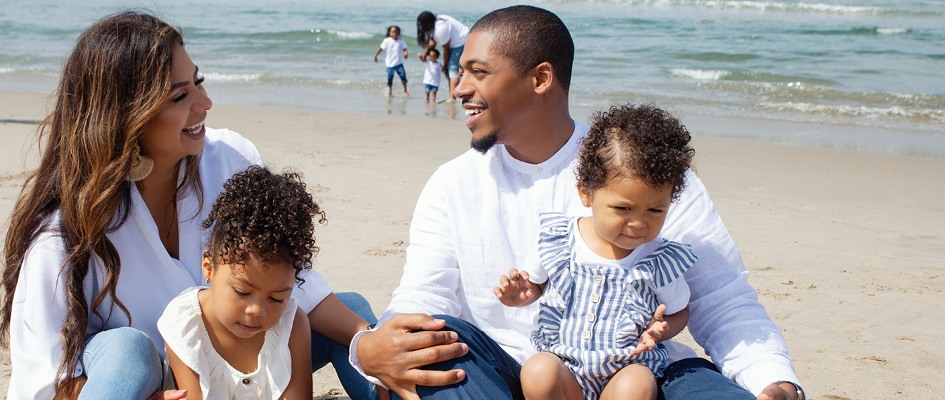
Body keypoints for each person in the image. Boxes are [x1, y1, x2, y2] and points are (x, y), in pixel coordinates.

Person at [352, 5, 805, 400]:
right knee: (437, 352)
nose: (459, 88)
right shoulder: (452, 183)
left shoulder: (637, 169)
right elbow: (422, 296)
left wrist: (773, 377)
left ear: (540, 78)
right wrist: (373, 344)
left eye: (479, 71)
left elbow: (722, 297)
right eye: (461, 70)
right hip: (506, 373)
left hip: (639, 374)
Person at [0, 12, 377, 400]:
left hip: (234, 364)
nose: (205, 102)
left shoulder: (228, 158)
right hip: (140, 383)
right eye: (180, 96)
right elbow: (44, 380)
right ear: (124, 115)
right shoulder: (61, 235)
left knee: (355, 320)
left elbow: (290, 278)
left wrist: (367, 340)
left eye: (198, 82)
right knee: (128, 350)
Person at [494, 103, 698, 400]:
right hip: (564, 364)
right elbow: (536, 283)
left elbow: (679, 311)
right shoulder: (560, 240)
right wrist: (524, 292)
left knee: (636, 386)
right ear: (586, 193)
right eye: (623, 208)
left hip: (627, 366)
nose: (639, 222)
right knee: (538, 370)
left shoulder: (658, 261)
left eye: (655, 210)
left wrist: (661, 329)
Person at [157, 166, 325, 399]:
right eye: (242, 292)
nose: (257, 310)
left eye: (277, 298)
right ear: (208, 267)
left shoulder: (292, 324)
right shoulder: (185, 325)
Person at [416, 11, 469, 102]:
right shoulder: (436, 20)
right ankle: (452, 95)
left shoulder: (440, 29)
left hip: (461, 41)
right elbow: (433, 40)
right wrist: (426, 52)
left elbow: (446, 49)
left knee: (452, 68)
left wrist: (444, 65)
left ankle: (452, 98)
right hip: (462, 36)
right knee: (450, 68)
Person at [373, 25, 409, 97]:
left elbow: (404, 49)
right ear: (389, 33)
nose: (394, 34)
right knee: (390, 78)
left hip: (399, 63)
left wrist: (405, 53)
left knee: (403, 76)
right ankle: (390, 90)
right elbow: (381, 48)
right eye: (392, 32)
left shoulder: (401, 42)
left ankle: (405, 90)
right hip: (389, 64)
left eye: (396, 32)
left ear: (398, 33)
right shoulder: (386, 41)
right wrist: (376, 55)